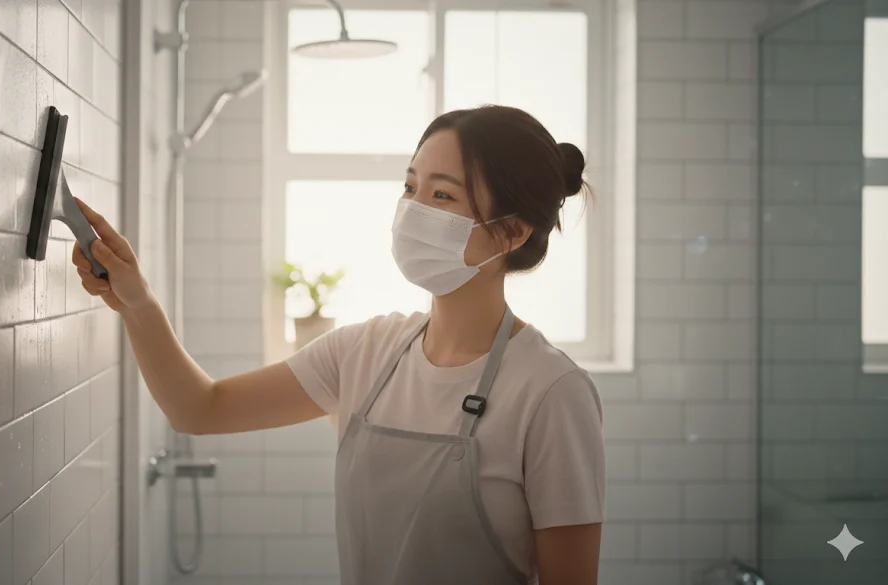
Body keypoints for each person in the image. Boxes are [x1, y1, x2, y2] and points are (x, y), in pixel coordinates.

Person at [72, 104, 605, 585]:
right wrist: (137, 302)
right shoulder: (364, 352)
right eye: (409, 187)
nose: (413, 211)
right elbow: (199, 408)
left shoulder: (551, 392)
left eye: (442, 195)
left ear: (511, 231)